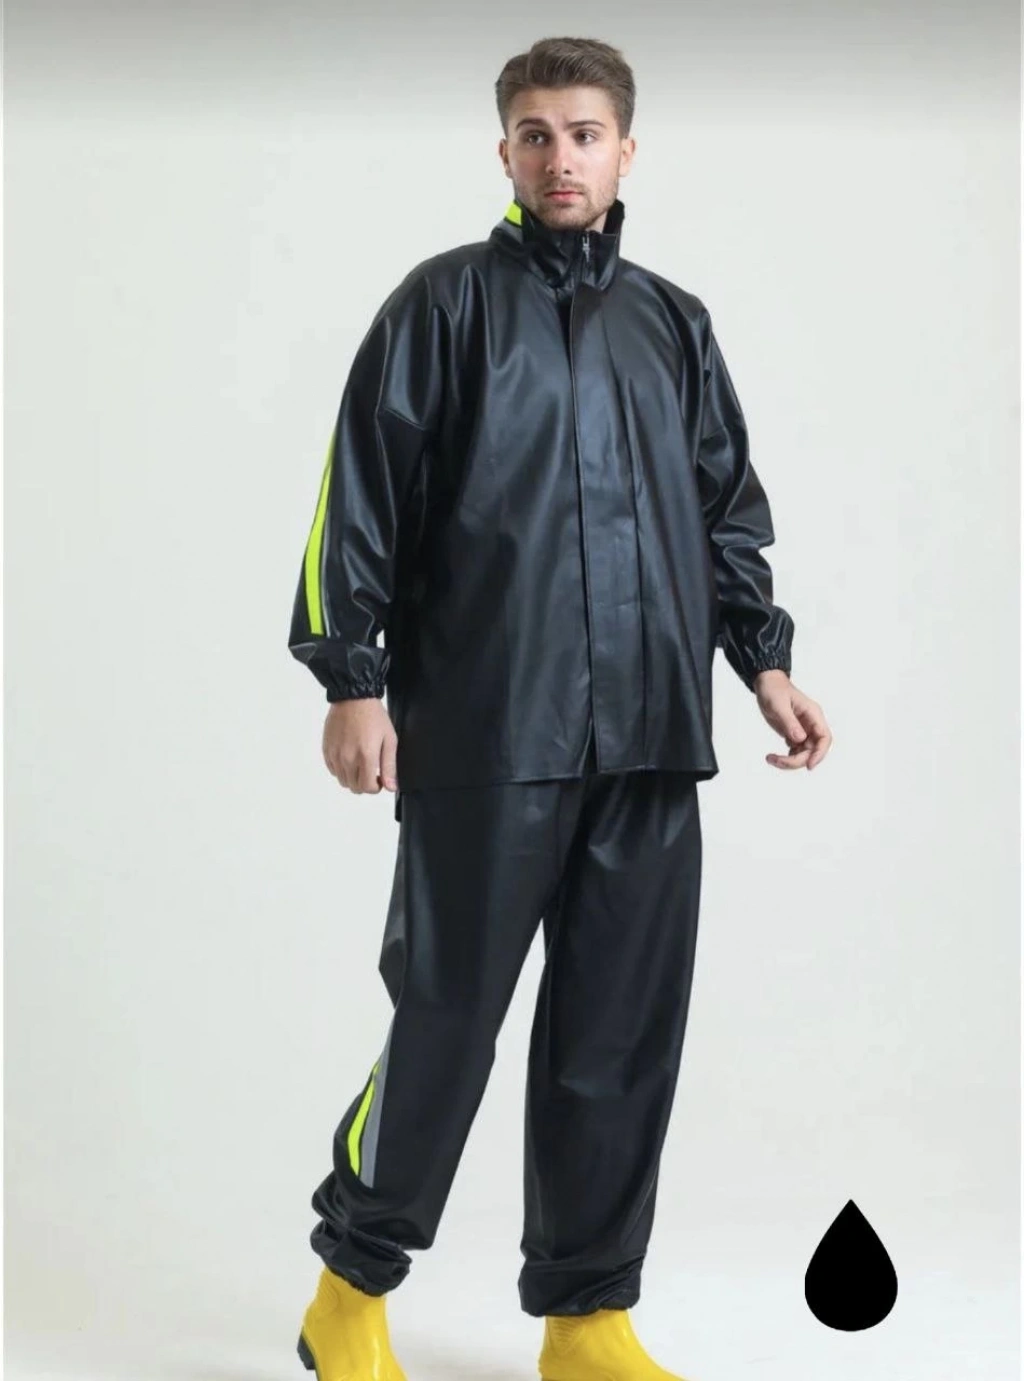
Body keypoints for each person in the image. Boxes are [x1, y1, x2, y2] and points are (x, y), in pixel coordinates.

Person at [288, 34, 832, 1381]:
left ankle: (587, 1321)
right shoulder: (442, 307)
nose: (561, 156)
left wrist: (762, 662)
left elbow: (725, 512)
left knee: (616, 1039)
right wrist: (354, 678)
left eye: (585, 133)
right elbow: (358, 497)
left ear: (626, 150)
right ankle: (349, 1291)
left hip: (650, 738)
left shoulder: (673, 324)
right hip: (488, 731)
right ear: (506, 153)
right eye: (536, 134)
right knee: (446, 1019)